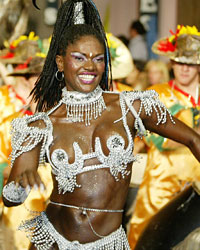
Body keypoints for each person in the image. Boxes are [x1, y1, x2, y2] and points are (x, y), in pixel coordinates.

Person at [2, 2, 200, 249]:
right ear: (61, 63)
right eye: (79, 58)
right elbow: (10, 198)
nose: (89, 67)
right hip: (53, 242)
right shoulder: (41, 125)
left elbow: (194, 140)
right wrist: (19, 185)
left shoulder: (133, 107)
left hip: (109, 243)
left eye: (98, 58)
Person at [128, 24, 200, 249]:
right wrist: (192, 135)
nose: (185, 69)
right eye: (180, 62)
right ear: (171, 62)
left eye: (190, 63)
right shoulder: (156, 95)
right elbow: (156, 140)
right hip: (159, 191)